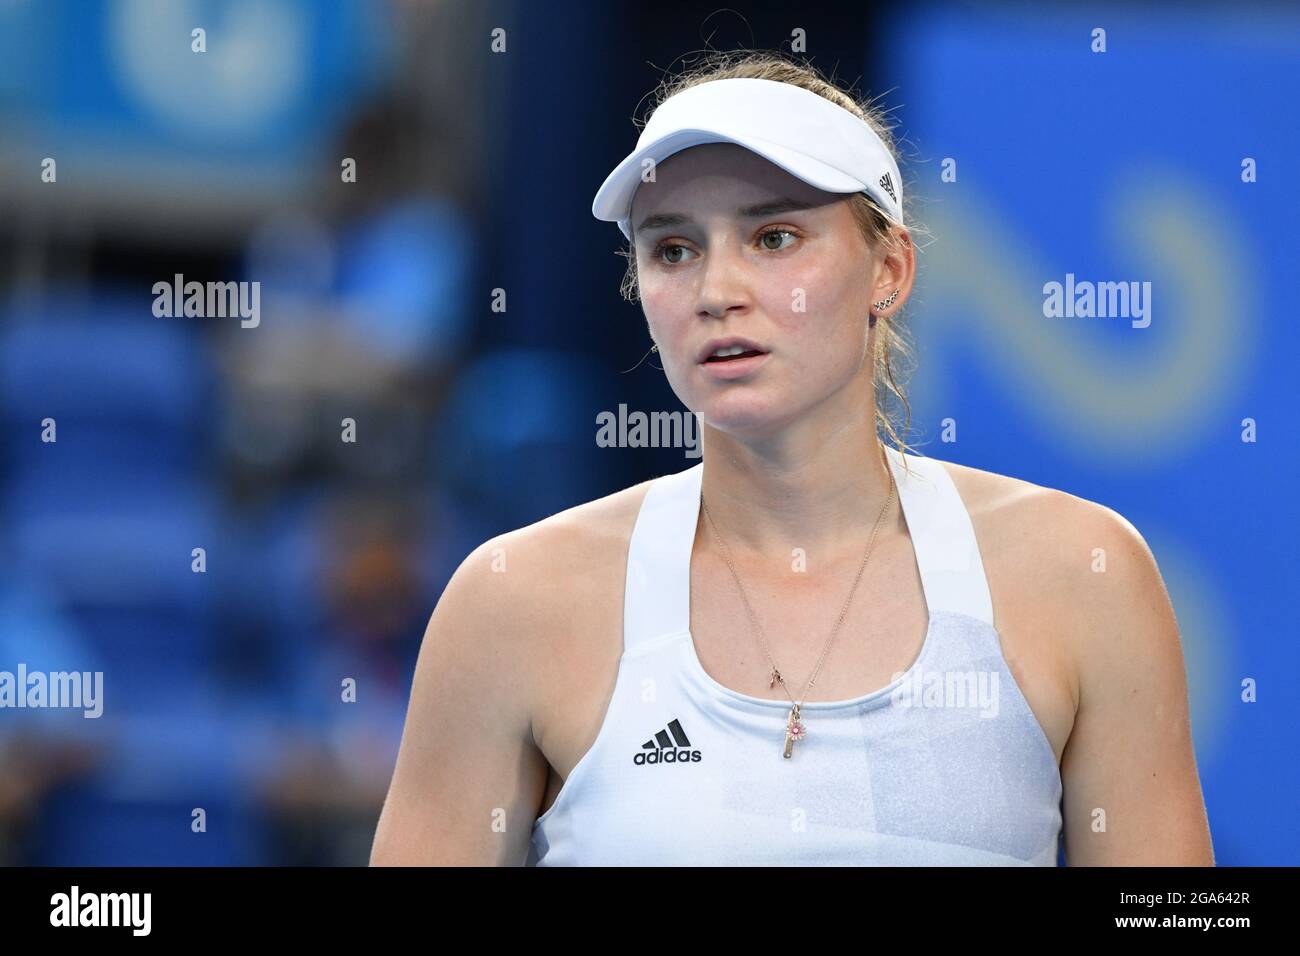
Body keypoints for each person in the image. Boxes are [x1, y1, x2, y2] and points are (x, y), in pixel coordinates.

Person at [370, 52, 1214, 866]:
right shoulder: (511, 603)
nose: (715, 290)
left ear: (890, 269)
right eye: (674, 249)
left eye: (773, 238)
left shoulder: (1085, 575)